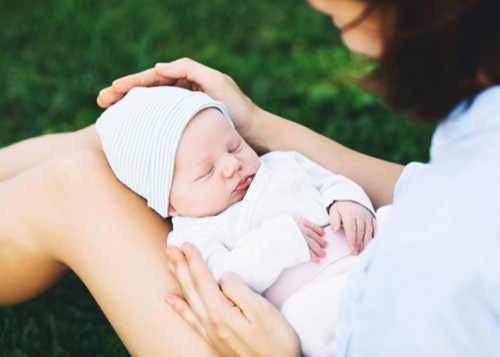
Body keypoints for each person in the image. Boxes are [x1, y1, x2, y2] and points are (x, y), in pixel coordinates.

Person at [1, 0, 498, 355]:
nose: (235, 163)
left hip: (308, 330)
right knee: (105, 150)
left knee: (72, 184)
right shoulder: (481, 134)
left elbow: (225, 284)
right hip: (356, 268)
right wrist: (252, 127)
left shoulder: (451, 275)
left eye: (236, 149)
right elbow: (426, 192)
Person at [96, 85, 376, 355]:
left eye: (234, 146)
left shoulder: (282, 164)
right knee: (307, 320)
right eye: (207, 171)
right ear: (170, 205)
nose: (232, 165)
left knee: (391, 216)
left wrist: (347, 200)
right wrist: (276, 242)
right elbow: (221, 281)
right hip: (311, 297)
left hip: (364, 254)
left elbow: (328, 182)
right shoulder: (195, 234)